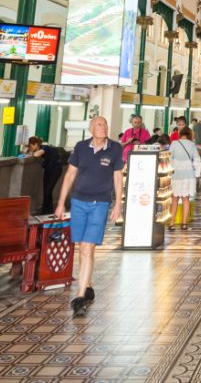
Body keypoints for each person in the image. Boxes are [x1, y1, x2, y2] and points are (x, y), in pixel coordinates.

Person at [55, 116, 124, 317]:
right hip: (78, 202)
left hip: (100, 203)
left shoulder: (115, 148)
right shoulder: (81, 147)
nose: (104, 128)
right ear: (91, 129)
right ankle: (88, 284)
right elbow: (70, 175)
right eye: (100, 125)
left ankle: (79, 297)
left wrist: (118, 203)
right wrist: (61, 203)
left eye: (105, 124)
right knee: (82, 247)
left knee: (87, 247)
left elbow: (118, 177)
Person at [169, 127, 200, 229]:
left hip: (176, 174)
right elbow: (197, 160)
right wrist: (197, 175)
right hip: (188, 174)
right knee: (186, 198)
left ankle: (172, 223)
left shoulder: (174, 143)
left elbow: (169, 158)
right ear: (190, 135)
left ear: (180, 133)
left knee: (174, 199)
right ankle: (184, 223)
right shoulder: (192, 145)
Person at [26, 136, 64, 215]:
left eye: (31, 146)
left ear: (36, 144)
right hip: (49, 170)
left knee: (48, 191)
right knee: (46, 191)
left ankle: (47, 211)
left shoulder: (45, 147)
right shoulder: (43, 148)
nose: (30, 148)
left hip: (55, 170)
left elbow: (36, 154)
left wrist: (30, 152)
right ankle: (47, 210)